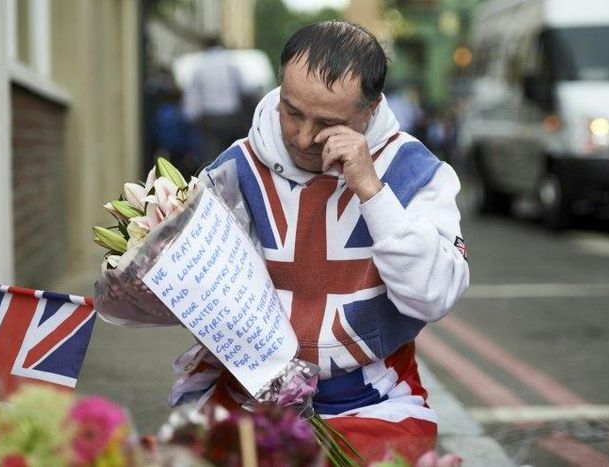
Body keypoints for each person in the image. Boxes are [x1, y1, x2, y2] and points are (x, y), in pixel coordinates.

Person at [176, 21, 470, 463]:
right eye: (292, 111)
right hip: (247, 398)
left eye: (328, 123)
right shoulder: (234, 168)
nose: (303, 137)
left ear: (369, 111)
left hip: (374, 401)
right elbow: (188, 293)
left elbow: (434, 296)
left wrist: (372, 190)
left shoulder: (417, 173)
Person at [183, 35, 246, 168]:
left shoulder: (200, 65)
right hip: (230, 115)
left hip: (210, 117)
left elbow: (194, 95)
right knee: (232, 156)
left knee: (211, 157)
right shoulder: (231, 62)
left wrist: (190, 117)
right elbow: (242, 87)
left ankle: (213, 185)